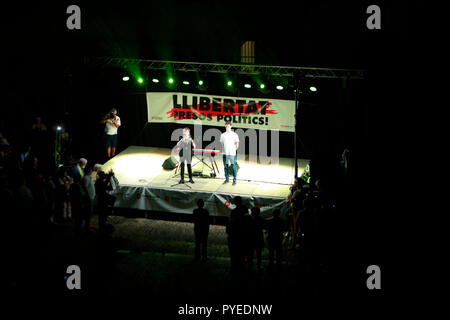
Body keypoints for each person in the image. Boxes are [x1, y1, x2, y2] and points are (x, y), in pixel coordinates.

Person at [81, 165, 96, 232]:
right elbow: (85, 187)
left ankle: (88, 225)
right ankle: (87, 227)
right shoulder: (86, 178)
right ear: (88, 171)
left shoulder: (88, 177)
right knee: (88, 213)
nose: (91, 171)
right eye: (91, 170)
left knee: (90, 212)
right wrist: (88, 196)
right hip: (89, 198)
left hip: (91, 197)